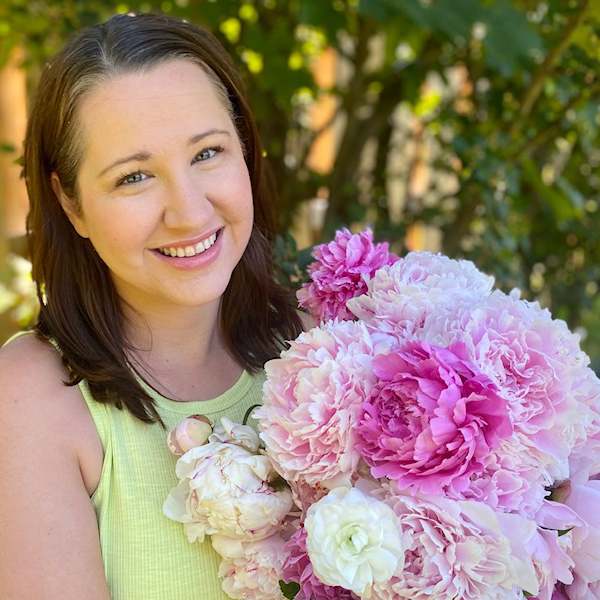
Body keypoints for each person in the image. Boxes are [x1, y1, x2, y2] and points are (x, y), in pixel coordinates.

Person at [0, 12, 305, 600]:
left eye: (207, 153)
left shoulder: (329, 354)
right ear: (72, 203)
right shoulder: (31, 402)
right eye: (134, 177)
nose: (189, 212)